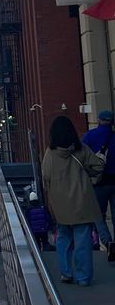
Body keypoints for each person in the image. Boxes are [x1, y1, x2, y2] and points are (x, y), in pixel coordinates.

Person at [42, 114, 103, 286]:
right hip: (82, 201)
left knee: (63, 237)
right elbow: (98, 166)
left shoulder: (50, 153)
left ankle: (66, 272)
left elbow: (45, 177)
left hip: (60, 203)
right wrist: (87, 174)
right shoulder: (81, 149)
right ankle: (83, 277)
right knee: (82, 240)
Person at [82, 108, 115, 261]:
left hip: (98, 182)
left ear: (99, 120)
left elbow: (80, 157)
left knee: (98, 215)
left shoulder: (89, 136)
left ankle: (108, 242)